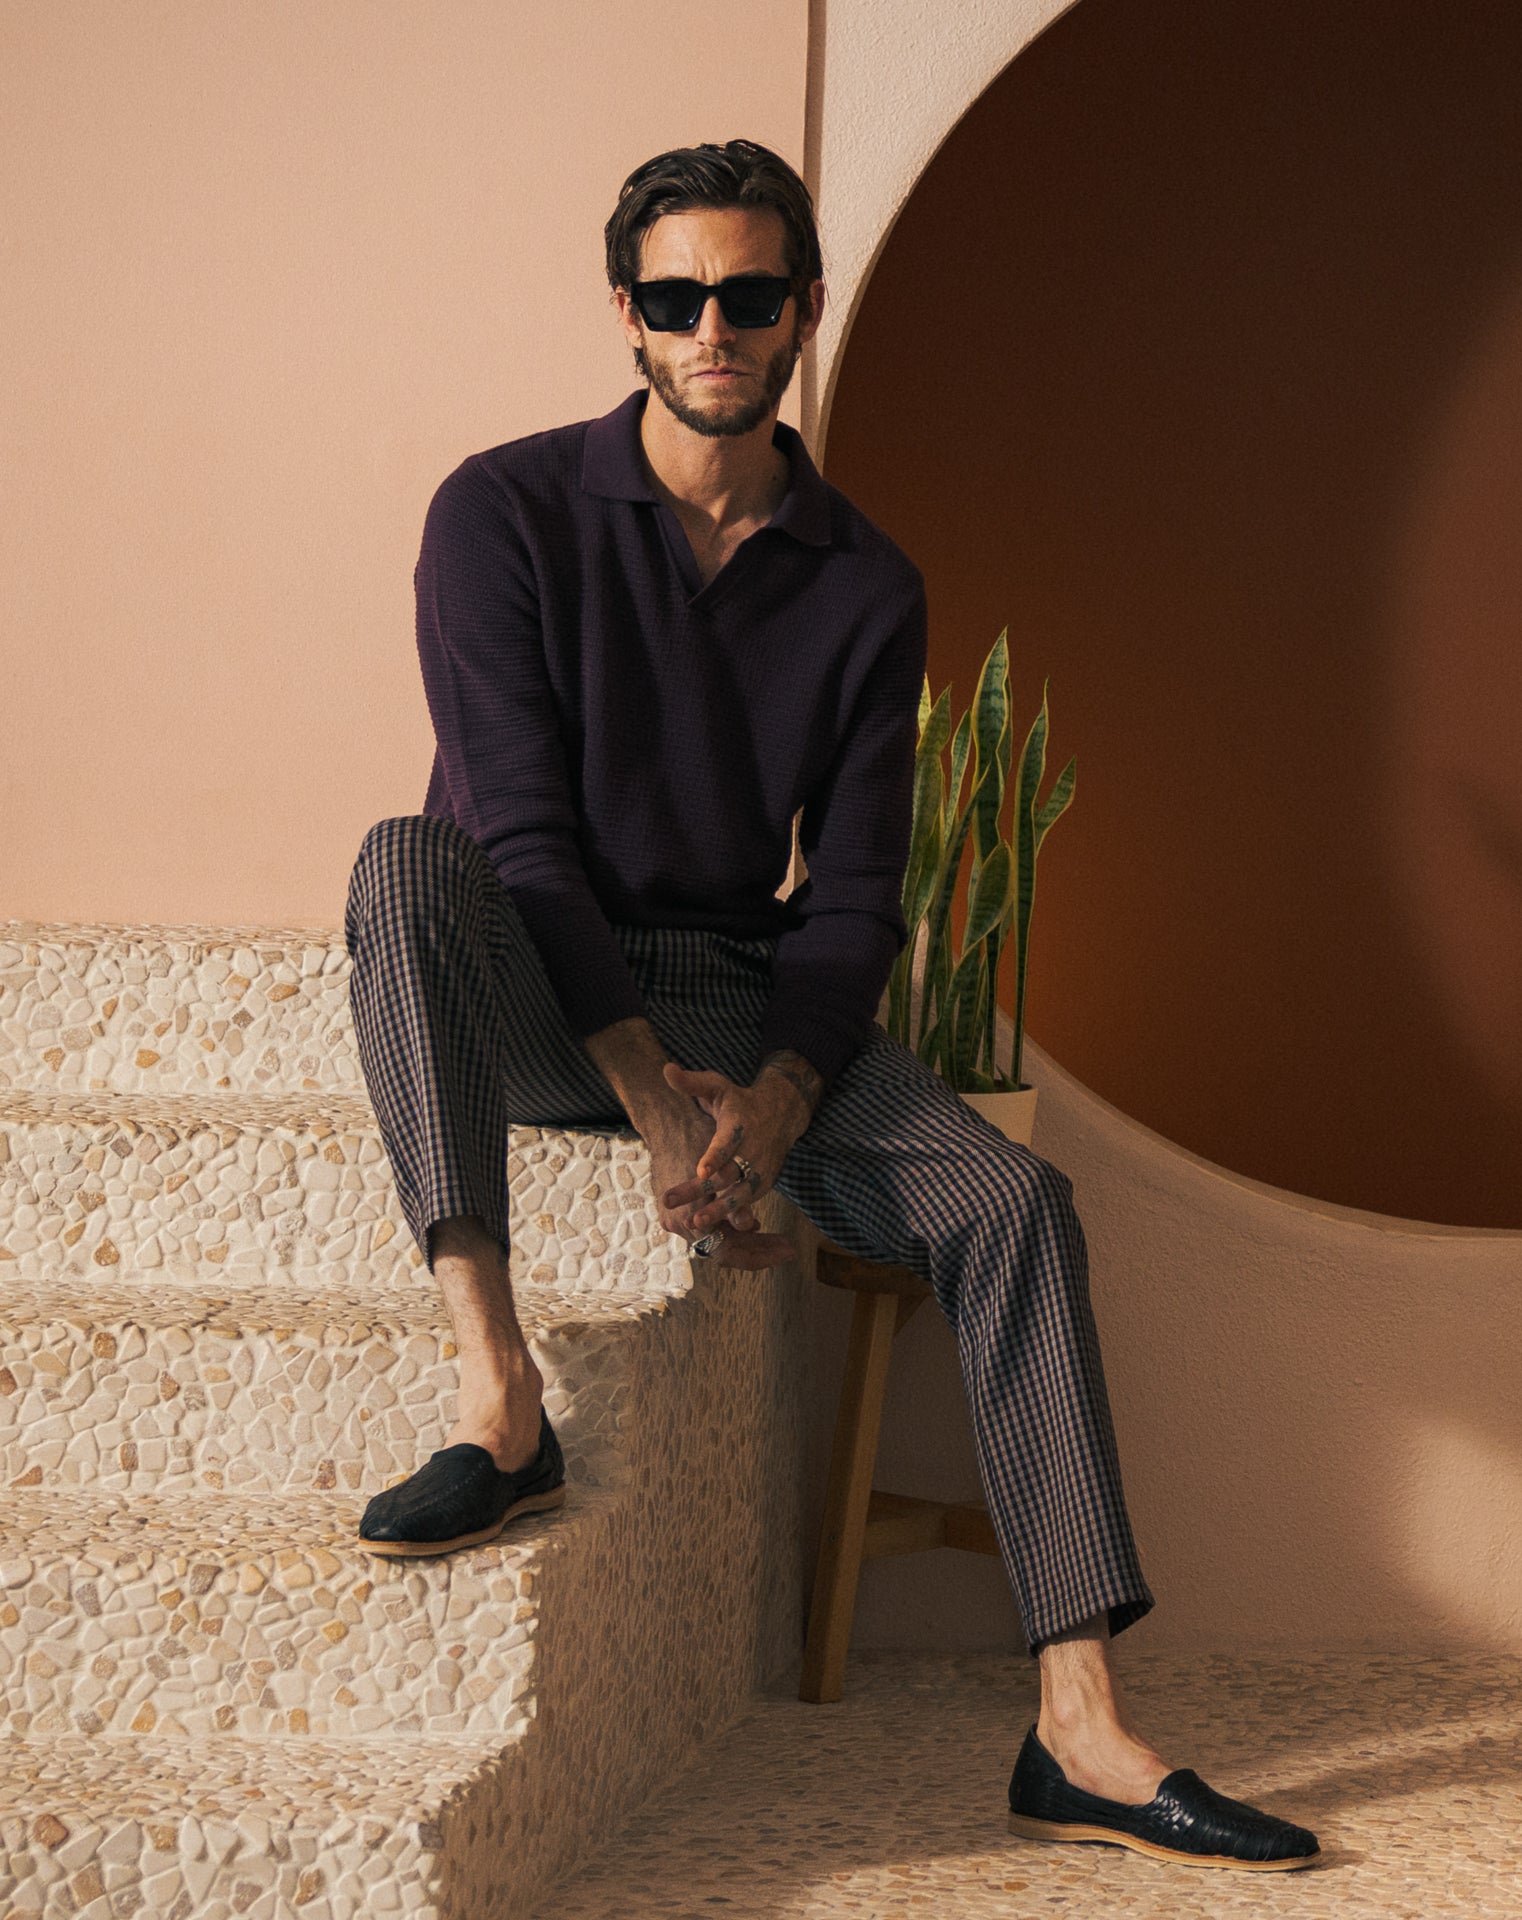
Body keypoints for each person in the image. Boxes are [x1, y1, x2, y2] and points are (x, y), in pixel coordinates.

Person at [343, 138, 1320, 1874]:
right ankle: (501, 1403)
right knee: (406, 864)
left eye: (744, 295)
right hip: (543, 987)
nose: (710, 326)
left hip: (745, 994)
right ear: (629, 316)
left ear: (801, 311)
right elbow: (526, 834)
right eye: (673, 296)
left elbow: (854, 892)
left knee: (1014, 1202)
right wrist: (655, 1103)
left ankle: (1077, 1726)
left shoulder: (869, 581)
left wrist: (777, 1097)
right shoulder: (500, 513)